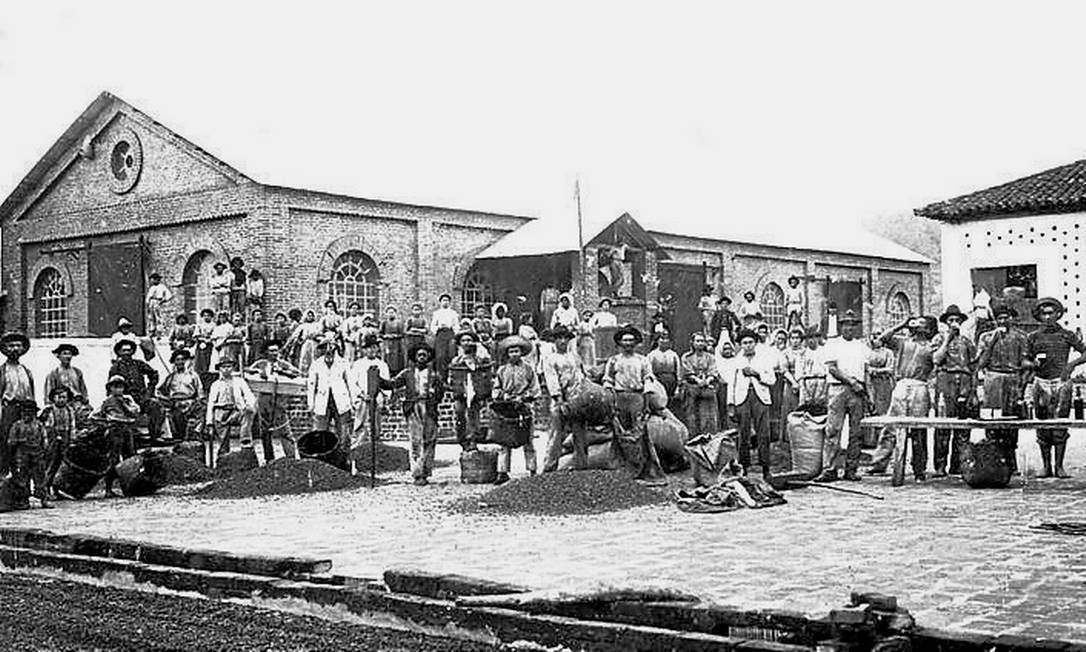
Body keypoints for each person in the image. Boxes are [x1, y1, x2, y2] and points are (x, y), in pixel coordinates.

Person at [868, 316, 936, 481]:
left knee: (919, 429)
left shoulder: (931, 346)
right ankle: (879, 463)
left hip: (919, 386)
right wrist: (902, 324)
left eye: (922, 324)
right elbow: (883, 338)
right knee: (892, 426)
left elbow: (937, 360)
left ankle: (919, 468)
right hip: (901, 384)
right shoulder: (903, 342)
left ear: (928, 329)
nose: (917, 326)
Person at [1026, 297, 1086, 478]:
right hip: (1041, 382)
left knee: (1060, 424)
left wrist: (1072, 365)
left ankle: (1059, 466)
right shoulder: (1033, 337)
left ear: (1058, 314)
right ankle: (1046, 466)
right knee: (1042, 424)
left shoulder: (1067, 334)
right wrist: (1032, 362)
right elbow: (1024, 359)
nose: (1048, 317)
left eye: (1051, 313)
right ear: (1039, 316)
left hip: (1061, 382)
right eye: (1044, 314)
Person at [603, 325, 666, 482]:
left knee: (640, 434)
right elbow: (608, 381)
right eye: (625, 340)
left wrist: (646, 403)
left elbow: (648, 380)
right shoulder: (613, 361)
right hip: (620, 397)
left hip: (637, 398)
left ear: (636, 342)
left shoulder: (642, 360)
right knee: (620, 434)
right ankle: (621, 468)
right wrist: (611, 401)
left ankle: (644, 470)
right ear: (619, 342)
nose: (628, 343)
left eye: (631, 340)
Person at [976, 303, 1031, 474]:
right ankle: (992, 458)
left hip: (1012, 379)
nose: (1003, 320)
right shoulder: (985, 337)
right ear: (995, 320)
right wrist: (993, 341)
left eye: (1006, 317)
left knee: (1011, 419)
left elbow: (1024, 363)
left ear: (1011, 318)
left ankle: (1010, 460)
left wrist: (1023, 382)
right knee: (991, 418)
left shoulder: (1021, 337)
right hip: (992, 379)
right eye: (999, 317)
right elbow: (981, 363)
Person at [818, 310, 869, 482]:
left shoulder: (861, 346)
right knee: (833, 429)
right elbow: (832, 368)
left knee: (857, 432)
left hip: (857, 391)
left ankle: (851, 469)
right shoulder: (833, 344)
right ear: (840, 326)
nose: (849, 328)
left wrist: (866, 390)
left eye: (852, 324)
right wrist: (850, 382)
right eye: (846, 324)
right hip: (838, 388)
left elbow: (867, 370)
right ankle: (830, 469)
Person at [723, 329, 777, 477]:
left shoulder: (764, 359)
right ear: (740, 345)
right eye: (744, 343)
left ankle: (766, 468)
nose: (748, 346)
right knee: (744, 434)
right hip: (742, 399)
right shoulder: (736, 361)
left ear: (755, 343)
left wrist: (756, 374)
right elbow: (731, 384)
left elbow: (772, 380)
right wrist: (731, 406)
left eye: (751, 342)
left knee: (764, 434)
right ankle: (744, 468)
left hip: (760, 398)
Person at [931, 304, 977, 477]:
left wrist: (973, 392)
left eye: (957, 320)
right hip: (945, 381)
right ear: (946, 323)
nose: (954, 323)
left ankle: (957, 465)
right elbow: (936, 359)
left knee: (963, 426)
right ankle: (940, 465)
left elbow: (973, 367)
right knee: (943, 424)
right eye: (951, 320)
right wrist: (947, 338)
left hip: (964, 381)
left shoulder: (966, 341)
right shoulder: (938, 339)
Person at [390, 343, 444, 485]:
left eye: (424, 355)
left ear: (428, 358)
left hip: (429, 407)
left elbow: (441, 393)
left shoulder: (434, 375)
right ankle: (417, 473)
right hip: (413, 407)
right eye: (419, 355)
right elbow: (393, 384)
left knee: (429, 439)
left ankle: (426, 471)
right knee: (416, 440)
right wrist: (376, 378)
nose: (421, 358)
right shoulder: (407, 373)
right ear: (415, 357)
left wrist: (434, 395)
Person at [493, 338, 541, 484]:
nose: (514, 354)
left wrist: (525, 397)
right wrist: (504, 395)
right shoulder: (502, 370)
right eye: (511, 351)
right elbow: (495, 390)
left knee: (528, 439)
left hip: (524, 407)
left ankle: (532, 469)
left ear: (521, 353)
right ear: (507, 354)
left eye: (516, 351)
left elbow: (535, 389)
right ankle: (502, 472)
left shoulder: (528, 369)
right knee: (504, 440)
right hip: (507, 407)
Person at [245, 339, 301, 461]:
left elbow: (297, 373)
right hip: (264, 400)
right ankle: (269, 458)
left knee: (284, 429)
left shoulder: (283, 364)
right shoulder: (261, 363)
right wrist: (258, 372)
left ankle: (291, 458)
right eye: (271, 351)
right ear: (266, 352)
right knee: (265, 431)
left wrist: (283, 372)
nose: (274, 353)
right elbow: (247, 370)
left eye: (276, 350)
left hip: (279, 401)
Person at [94, 375, 141, 497]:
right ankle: (108, 489)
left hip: (127, 429)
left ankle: (129, 487)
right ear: (110, 389)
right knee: (113, 459)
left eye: (120, 387)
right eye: (115, 387)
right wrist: (106, 423)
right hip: (115, 429)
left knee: (130, 457)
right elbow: (94, 416)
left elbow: (136, 411)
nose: (118, 390)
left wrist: (124, 404)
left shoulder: (128, 399)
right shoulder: (107, 401)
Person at [307, 341, 353, 460]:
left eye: (331, 352)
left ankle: (343, 459)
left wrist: (353, 402)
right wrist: (310, 404)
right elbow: (311, 385)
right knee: (320, 432)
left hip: (340, 401)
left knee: (343, 433)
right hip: (322, 401)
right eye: (326, 351)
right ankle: (322, 460)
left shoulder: (343, 363)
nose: (329, 355)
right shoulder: (316, 364)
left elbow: (350, 383)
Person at [109, 339, 163, 439]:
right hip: (125, 398)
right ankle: (131, 438)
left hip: (141, 396)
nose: (127, 353)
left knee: (155, 405)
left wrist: (150, 390)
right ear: (119, 352)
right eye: (124, 350)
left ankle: (155, 436)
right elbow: (111, 386)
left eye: (129, 350)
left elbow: (153, 374)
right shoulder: (116, 367)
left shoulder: (139, 364)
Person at [205, 357, 256, 460]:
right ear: (219, 369)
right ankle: (223, 458)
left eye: (229, 366)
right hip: (221, 411)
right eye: (224, 367)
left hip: (236, 410)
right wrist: (209, 422)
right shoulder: (216, 384)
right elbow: (211, 403)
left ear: (233, 368)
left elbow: (249, 395)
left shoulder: (239, 381)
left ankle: (245, 442)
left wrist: (249, 405)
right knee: (223, 439)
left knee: (247, 413)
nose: (227, 369)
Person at [448, 331, 492, 452]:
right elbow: (452, 376)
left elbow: (486, 371)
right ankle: (462, 440)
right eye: (463, 341)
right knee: (459, 413)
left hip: (475, 392)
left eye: (469, 340)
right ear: (460, 344)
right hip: (461, 393)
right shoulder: (456, 360)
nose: (467, 343)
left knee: (474, 415)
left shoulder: (480, 359)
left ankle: (473, 440)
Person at [350, 334, 392, 449]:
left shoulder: (382, 365)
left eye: (374, 347)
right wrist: (361, 395)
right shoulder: (358, 364)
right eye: (369, 348)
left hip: (377, 398)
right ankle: (357, 448)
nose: (372, 350)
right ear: (364, 350)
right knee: (360, 425)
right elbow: (352, 383)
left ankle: (376, 448)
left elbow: (387, 384)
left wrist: (383, 397)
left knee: (376, 425)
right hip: (363, 398)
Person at [8, 399, 51, 509]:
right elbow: (11, 442)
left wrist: (45, 447)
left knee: (40, 478)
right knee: (22, 479)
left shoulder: (39, 425)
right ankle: (23, 501)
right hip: (22, 455)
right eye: (25, 411)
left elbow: (44, 438)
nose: (27, 414)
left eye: (30, 412)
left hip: (37, 454)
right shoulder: (17, 425)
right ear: (21, 412)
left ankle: (44, 499)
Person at [156, 349, 204, 441]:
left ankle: (194, 435)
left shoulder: (193, 376)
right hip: (175, 404)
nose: (180, 362)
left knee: (200, 414)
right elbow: (159, 391)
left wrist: (196, 402)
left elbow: (200, 392)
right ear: (174, 362)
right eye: (177, 360)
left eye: (182, 359)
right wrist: (167, 399)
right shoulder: (170, 377)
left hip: (190, 403)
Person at [681, 332, 720, 436]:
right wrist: (697, 380)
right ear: (692, 343)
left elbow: (714, 370)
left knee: (707, 419)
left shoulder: (711, 357)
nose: (700, 343)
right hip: (692, 390)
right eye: (697, 341)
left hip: (707, 391)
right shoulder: (687, 357)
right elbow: (686, 372)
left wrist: (708, 380)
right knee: (692, 418)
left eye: (702, 341)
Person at [41, 387, 76, 499]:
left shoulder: (70, 410)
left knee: (62, 465)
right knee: (51, 464)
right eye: (59, 397)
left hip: (65, 439)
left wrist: (72, 440)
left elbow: (72, 427)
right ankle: (45, 490)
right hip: (52, 439)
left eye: (64, 397)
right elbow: (43, 426)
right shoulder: (49, 410)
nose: (61, 400)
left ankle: (57, 490)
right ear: (53, 398)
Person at [43, 343, 90, 422]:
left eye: (69, 354)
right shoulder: (54, 373)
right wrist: (50, 406)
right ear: (59, 356)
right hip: (61, 405)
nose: (68, 356)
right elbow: (49, 392)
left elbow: (83, 389)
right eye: (64, 354)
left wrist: (85, 401)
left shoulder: (77, 372)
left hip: (77, 405)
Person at [864, 331, 895, 447]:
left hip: (884, 383)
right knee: (870, 409)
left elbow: (890, 369)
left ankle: (882, 440)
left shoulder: (888, 353)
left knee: (883, 410)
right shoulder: (867, 352)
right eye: (873, 336)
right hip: (870, 383)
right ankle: (869, 441)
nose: (875, 338)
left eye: (878, 336)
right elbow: (865, 367)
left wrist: (876, 370)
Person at [796, 326, 828, 412]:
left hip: (821, 382)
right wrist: (805, 392)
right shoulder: (802, 354)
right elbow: (800, 375)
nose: (811, 340)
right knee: (807, 410)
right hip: (807, 383)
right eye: (808, 338)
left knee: (821, 409)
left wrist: (824, 392)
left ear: (818, 338)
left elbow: (828, 373)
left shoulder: (824, 352)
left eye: (813, 337)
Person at [647, 332, 681, 407]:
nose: (664, 341)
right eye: (662, 339)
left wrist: (678, 386)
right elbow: (649, 370)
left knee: (671, 401)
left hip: (671, 381)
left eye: (666, 339)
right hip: (658, 380)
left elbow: (678, 371)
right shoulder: (652, 354)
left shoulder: (673, 354)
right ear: (657, 341)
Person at [431, 293, 460, 379]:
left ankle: (451, 377)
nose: (445, 302)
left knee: (451, 354)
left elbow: (456, 325)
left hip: (450, 334)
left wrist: (455, 334)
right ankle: (441, 377)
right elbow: (433, 326)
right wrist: (439, 327)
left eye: (447, 300)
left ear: (450, 302)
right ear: (440, 302)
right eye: (443, 300)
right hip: (440, 335)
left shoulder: (453, 313)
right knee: (440, 356)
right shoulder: (437, 313)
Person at [291, 309, 322, 374]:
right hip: (306, 343)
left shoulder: (317, 325)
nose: (310, 317)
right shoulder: (303, 325)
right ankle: (304, 372)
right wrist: (299, 340)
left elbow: (320, 333)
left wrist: (316, 336)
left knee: (314, 357)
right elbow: (295, 335)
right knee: (305, 357)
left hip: (314, 343)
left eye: (311, 316)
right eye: (308, 316)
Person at [145, 272, 173, 338]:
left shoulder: (162, 287)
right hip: (152, 303)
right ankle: (152, 331)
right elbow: (148, 297)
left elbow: (169, 295)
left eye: (155, 279)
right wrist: (148, 303)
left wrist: (163, 300)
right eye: (153, 279)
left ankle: (159, 332)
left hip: (158, 302)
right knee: (151, 318)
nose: (153, 281)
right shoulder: (152, 288)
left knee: (158, 318)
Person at [381, 305, 406, 375]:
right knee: (388, 358)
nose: (391, 314)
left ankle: (397, 373)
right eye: (389, 313)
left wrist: (396, 336)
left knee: (397, 359)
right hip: (387, 344)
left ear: (395, 313)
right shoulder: (384, 323)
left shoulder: (399, 323)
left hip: (397, 344)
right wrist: (386, 336)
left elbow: (403, 334)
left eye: (392, 312)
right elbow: (380, 334)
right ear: (386, 314)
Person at [193, 308, 216, 377]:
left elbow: (215, 335)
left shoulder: (214, 325)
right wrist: (201, 339)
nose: (206, 317)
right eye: (205, 315)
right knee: (199, 360)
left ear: (211, 317)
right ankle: (199, 374)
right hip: (201, 344)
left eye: (208, 315)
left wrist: (210, 339)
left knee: (208, 359)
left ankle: (206, 373)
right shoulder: (200, 325)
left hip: (210, 344)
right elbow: (196, 334)